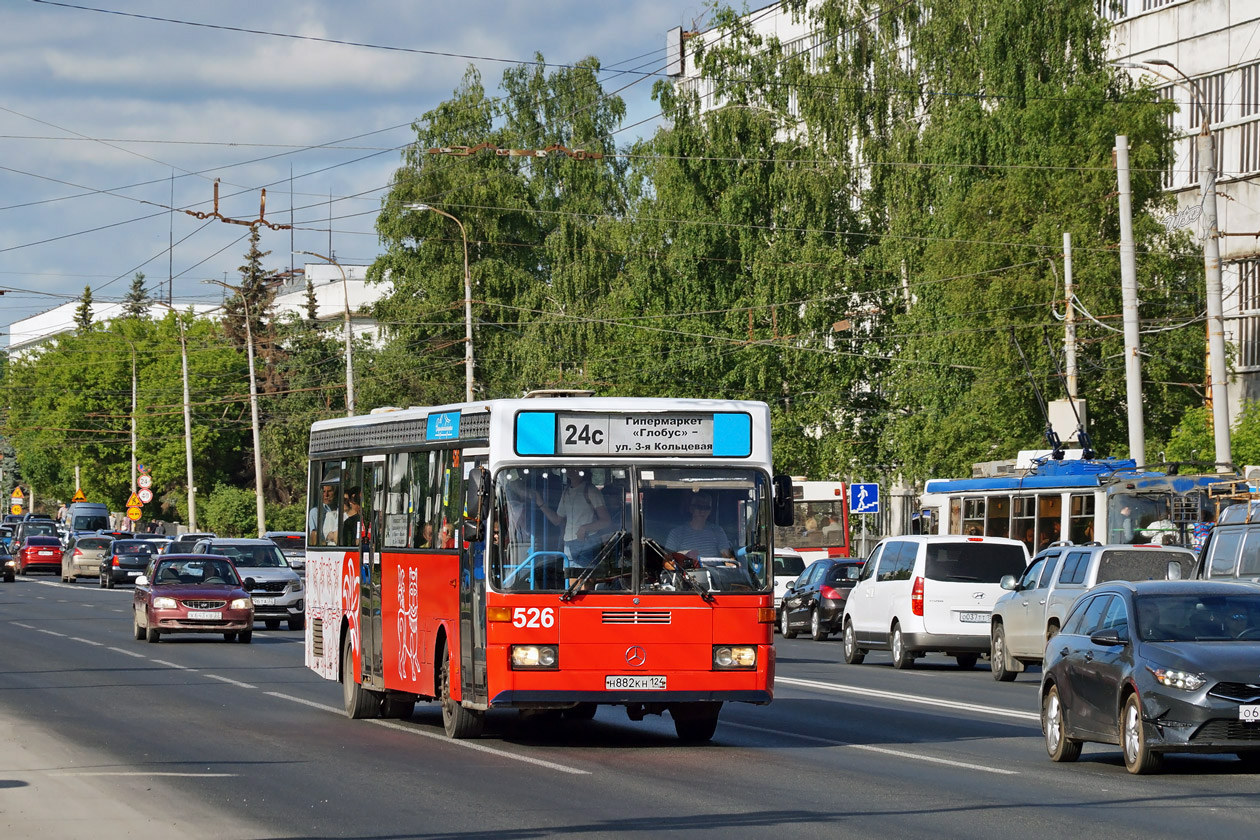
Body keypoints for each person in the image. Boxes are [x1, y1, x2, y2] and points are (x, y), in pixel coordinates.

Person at [535, 470, 611, 581]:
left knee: (586, 581)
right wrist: (541, 504)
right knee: (571, 581)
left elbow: (606, 521)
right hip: (568, 544)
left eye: (575, 469)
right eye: (569, 468)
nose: (571, 471)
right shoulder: (566, 492)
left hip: (587, 542)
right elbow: (557, 520)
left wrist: (585, 528)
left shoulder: (590, 491)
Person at [666, 492, 733, 559]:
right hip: (686, 569)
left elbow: (727, 557)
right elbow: (668, 562)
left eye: (706, 508)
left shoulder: (717, 531)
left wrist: (731, 562)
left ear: (710, 511)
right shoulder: (676, 533)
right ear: (691, 509)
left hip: (712, 569)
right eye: (699, 507)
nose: (702, 511)